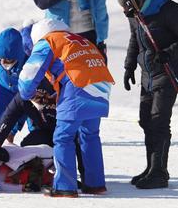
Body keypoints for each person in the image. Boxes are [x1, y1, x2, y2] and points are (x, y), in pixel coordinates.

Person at [18, 18, 114, 197]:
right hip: (101, 85)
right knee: (89, 135)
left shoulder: (48, 41)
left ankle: (64, 186)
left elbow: (29, 74)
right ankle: (95, 184)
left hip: (78, 86)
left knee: (63, 137)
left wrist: (26, 94)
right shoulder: (76, 38)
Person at [118, 0, 178, 189]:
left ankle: (160, 173)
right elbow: (135, 38)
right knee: (146, 121)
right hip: (148, 74)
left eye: (127, 5)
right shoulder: (134, 14)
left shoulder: (168, 9)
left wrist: (168, 54)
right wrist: (129, 66)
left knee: (158, 121)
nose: (126, 10)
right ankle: (151, 167)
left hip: (168, 73)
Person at [0, 25, 33, 132]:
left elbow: (27, 99)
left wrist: (15, 128)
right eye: (1, 60)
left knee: (34, 122)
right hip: (2, 86)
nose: (4, 64)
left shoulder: (30, 59)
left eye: (9, 61)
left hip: (23, 92)